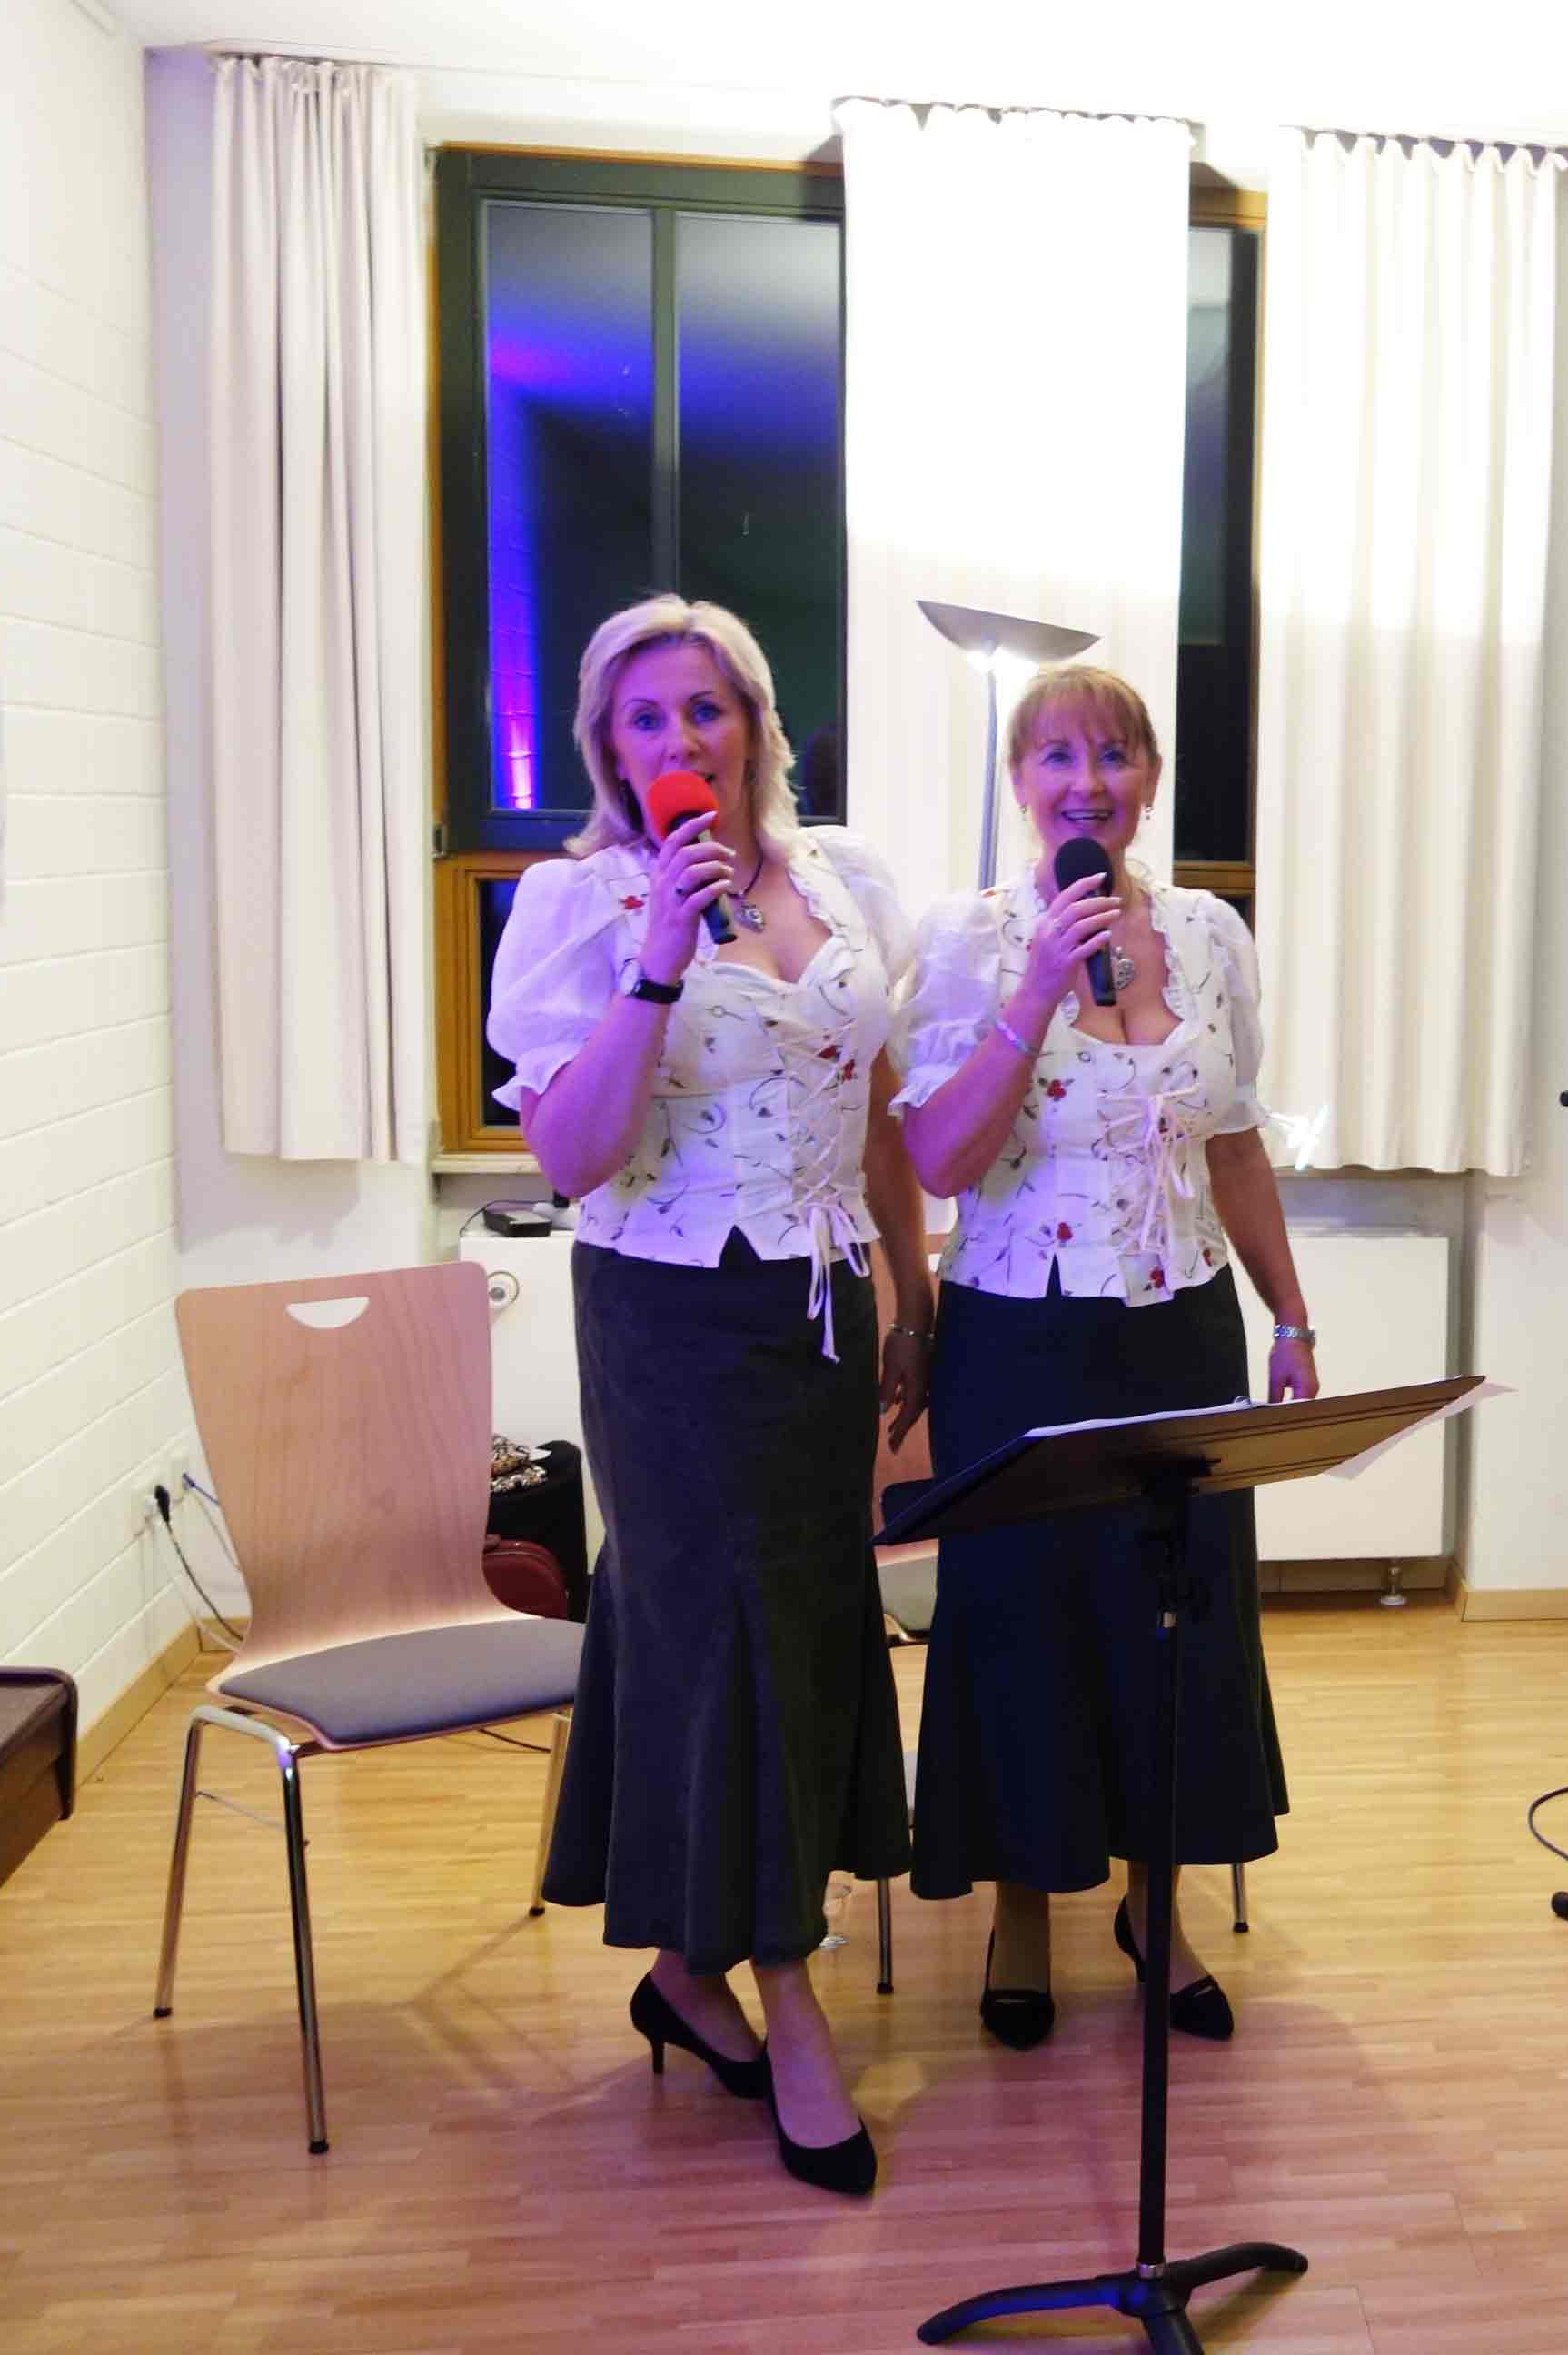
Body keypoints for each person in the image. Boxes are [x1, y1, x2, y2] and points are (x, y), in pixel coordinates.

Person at [484, 595, 928, 2196]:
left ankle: (686, 1970)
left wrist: (914, 1286)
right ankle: (787, 1995)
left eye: (705, 707)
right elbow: (568, 1155)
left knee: (796, 1634)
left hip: (820, 1317)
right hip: (669, 1321)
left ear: (753, 723)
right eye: (646, 717)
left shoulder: (841, 881)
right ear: (609, 748)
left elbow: (874, 1100)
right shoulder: (580, 903)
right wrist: (658, 965)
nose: (680, 738)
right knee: (720, 1634)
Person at [897, 662, 1313, 2050]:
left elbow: (1235, 1145)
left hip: (1183, 1332)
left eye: (1116, 755)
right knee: (1023, 1629)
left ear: (1151, 779)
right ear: (1022, 783)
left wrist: (1291, 1317)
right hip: (1020, 1334)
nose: (1090, 783)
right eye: (1059, 757)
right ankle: (1021, 1911)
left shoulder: (1207, 934)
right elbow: (939, 1157)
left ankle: (1155, 1909)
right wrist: (1031, 992)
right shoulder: (969, 937)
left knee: (1174, 1628)